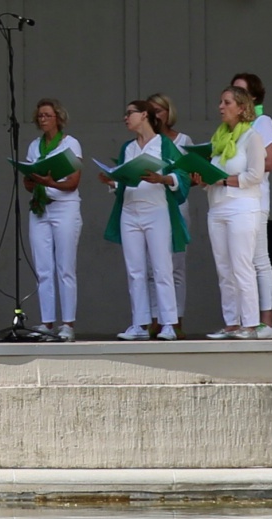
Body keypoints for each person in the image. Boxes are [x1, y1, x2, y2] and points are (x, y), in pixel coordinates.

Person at [100, 100, 188, 341]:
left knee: (162, 268)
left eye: (130, 113)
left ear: (145, 115)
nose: (126, 118)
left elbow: (181, 175)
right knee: (135, 270)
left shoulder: (164, 144)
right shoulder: (128, 148)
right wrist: (112, 181)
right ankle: (139, 323)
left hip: (156, 210)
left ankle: (168, 323)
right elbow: (125, 179)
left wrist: (162, 179)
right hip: (130, 211)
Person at [193, 87, 265, 339]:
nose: (221, 107)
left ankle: (250, 324)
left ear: (242, 108)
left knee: (242, 265)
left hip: (242, 207)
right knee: (224, 268)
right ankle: (231, 323)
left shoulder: (252, 137)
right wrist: (202, 177)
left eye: (227, 102)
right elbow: (213, 177)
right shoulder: (218, 138)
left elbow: (256, 175)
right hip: (217, 208)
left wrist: (222, 180)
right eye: (220, 102)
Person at [22, 98, 82, 341]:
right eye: (40, 116)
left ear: (58, 117)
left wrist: (49, 182)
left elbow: (73, 182)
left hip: (65, 208)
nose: (43, 119)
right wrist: (31, 180)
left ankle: (67, 323)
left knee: (65, 267)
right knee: (43, 268)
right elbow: (28, 182)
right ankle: (47, 322)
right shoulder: (34, 146)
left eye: (47, 115)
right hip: (40, 208)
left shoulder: (70, 144)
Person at [232, 72, 272, 338]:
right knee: (239, 263)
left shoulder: (263, 122)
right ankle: (244, 322)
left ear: (252, 97)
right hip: (234, 203)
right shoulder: (230, 128)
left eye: (240, 92)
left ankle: (267, 323)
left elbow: (269, 162)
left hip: (256, 200)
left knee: (259, 260)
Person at [147, 93, 194, 336]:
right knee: (152, 267)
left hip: (175, 206)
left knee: (175, 266)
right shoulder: (146, 141)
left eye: (160, 110)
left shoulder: (183, 140)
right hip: (151, 207)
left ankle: (176, 319)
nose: (156, 115)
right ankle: (156, 317)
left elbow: (188, 178)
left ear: (169, 113)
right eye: (151, 110)